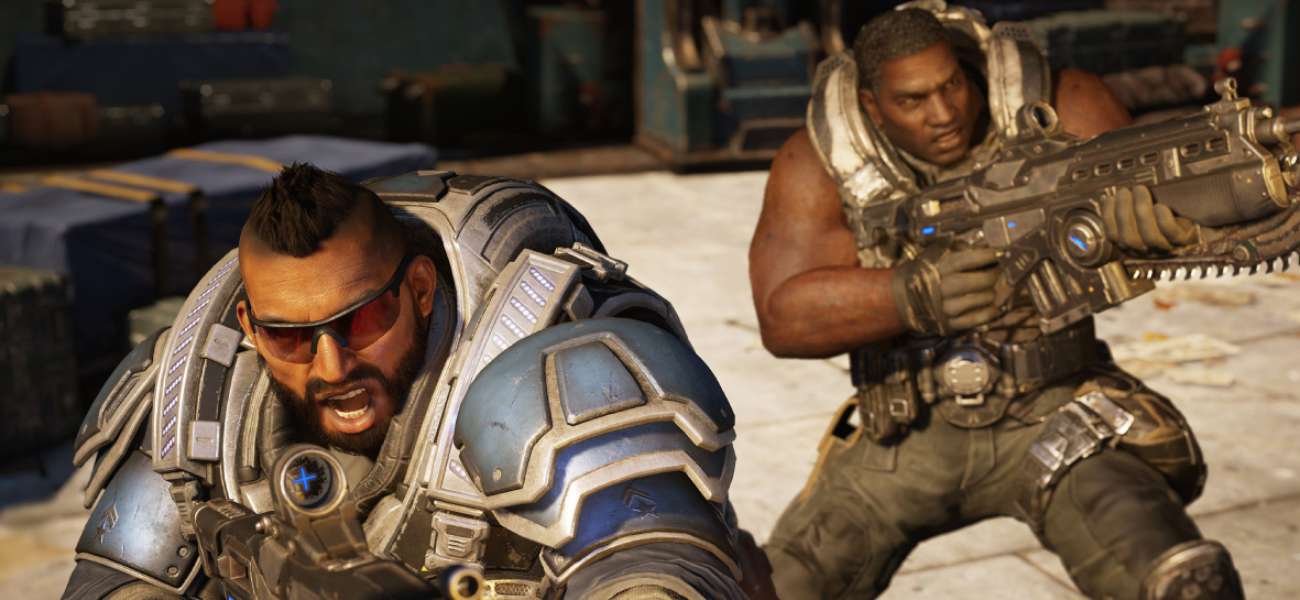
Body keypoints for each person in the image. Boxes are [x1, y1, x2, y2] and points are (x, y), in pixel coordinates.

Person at [62, 164, 762, 599]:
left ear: (421, 290)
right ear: (248, 325)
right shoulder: (204, 406)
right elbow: (117, 583)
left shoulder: (548, 377)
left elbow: (648, 575)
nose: (331, 366)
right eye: (290, 337)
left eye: (363, 320)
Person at [750, 3, 1242, 599]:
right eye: (912, 100)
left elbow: (1175, 206)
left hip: (1053, 417)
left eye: (952, 85)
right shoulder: (823, 160)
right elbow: (782, 320)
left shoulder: (1060, 107)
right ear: (873, 107)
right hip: (900, 443)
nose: (944, 114)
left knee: (1182, 581)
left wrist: (1158, 229)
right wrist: (910, 293)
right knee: (772, 590)